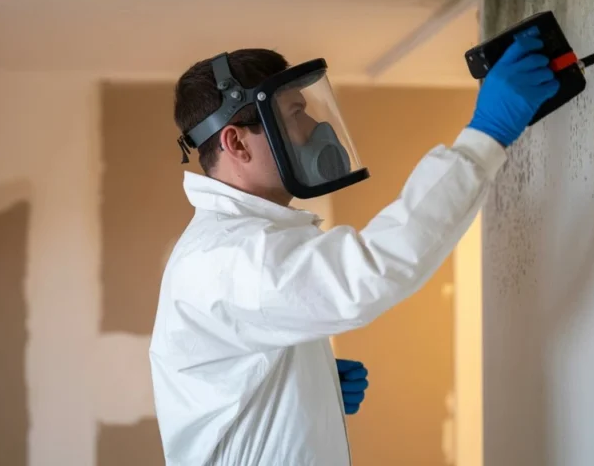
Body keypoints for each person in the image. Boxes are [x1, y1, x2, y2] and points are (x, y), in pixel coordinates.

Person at [150, 28, 560, 465]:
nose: (314, 127)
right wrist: (486, 135)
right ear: (236, 142)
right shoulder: (228, 257)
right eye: (295, 114)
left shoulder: (240, 246)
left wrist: (303, 385)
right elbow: (370, 272)